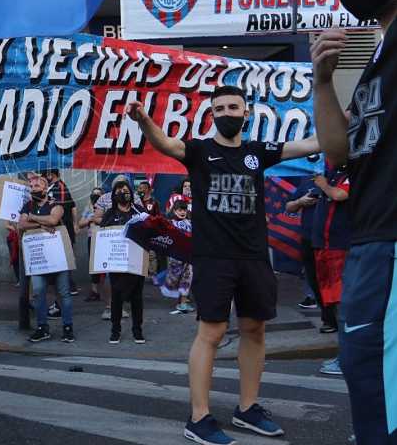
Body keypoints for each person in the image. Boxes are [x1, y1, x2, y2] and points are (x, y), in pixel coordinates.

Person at [127, 85, 320, 444]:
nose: (227, 112)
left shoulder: (257, 152)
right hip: (213, 256)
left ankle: (247, 409)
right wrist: (144, 121)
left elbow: (310, 145)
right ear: (211, 114)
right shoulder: (200, 150)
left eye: (234, 107)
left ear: (246, 113)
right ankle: (198, 418)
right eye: (220, 108)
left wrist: (342, 113)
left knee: (254, 329)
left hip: (254, 257)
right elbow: (166, 145)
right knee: (211, 333)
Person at [305, 0, 397, 441]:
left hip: (393, 245)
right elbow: (339, 154)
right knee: (367, 377)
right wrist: (321, 83)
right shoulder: (372, 62)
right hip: (370, 240)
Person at [20, 172, 74, 344]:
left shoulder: (55, 203)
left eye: (36, 186)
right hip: (39, 258)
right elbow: (21, 224)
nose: (33, 189)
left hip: (58, 256)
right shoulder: (27, 205)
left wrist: (34, 218)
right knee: (38, 292)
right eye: (31, 186)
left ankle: (68, 327)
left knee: (63, 292)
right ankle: (42, 327)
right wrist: (42, 224)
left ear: (45, 187)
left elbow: (54, 219)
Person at [310, 164, 350, 375]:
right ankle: (344, 356)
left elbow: (340, 195)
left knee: (342, 305)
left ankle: (347, 358)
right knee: (333, 303)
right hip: (323, 248)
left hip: (338, 248)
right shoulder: (329, 174)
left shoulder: (350, 173)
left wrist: (324, 185)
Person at [100, 178, 146, 344]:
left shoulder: (139, 211)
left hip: (136, 260)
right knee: (117, 297)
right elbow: (103, 234)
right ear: (114, 195)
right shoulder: (109, 214)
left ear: (131, 193)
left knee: (137, 297)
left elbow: (148, 230)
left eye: (126, 191)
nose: (122, 194)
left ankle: (137, 330)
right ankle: (115, 330)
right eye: (119, 191)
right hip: (116, 262)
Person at [285, 179, 323, 311]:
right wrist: (300, 201)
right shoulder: (307, 181)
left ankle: (332, 301)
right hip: (309, 235)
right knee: (309, 268)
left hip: (333, 235)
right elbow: (289, 206)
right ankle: (311, 296)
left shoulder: (340, 177)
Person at [44, 169, 79, 296]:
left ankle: (69, 286)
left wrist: (74, 225)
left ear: (51, 175)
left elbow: (69, 206)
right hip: (56, 230)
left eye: (45, 175)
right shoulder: (51, 188)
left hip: (63, 229)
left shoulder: (60, 187)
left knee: (65, 257)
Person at [162, 201, 195, 315]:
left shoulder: (190, 222)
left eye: (184, 210)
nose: (182, 212)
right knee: (176, 278)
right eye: (180, 210)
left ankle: (183, 302)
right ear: (174, 211)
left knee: (187, 278)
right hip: (175, 256)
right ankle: (179, 301)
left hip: (189, 256)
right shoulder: (170, 223)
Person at [78, 190, 108, 303]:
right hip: (92, 237)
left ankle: (106, 290)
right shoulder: (88, 208)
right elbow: (80, 224)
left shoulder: (107, 206)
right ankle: (94, 291)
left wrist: (97, 219)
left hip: (105, 237)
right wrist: (90, 219)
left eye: (98, 194)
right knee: (93, 264)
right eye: (93, 194)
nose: (95, 196)